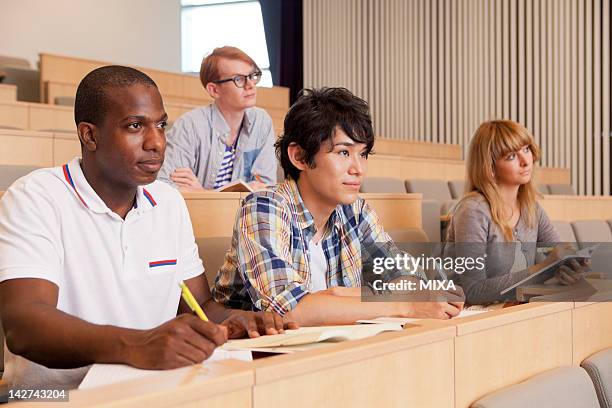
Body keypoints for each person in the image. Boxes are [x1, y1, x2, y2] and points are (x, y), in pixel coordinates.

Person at [0, 66, 293, 390]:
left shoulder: (168, 201)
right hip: (53, 398)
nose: (156, 142)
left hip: (150, 389)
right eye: (135, 126)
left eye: (161, 125)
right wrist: (138, 345)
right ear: (89, 135)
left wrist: (233, 321)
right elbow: (24, 326)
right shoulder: (35, 197)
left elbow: (200, 308)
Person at [212, 87, 464, 326]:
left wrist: (345, 296)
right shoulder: (263, 208)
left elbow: (408, 279)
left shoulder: (356, 211)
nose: (359, 169)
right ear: (299, 156)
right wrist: (401, 305)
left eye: (363, 154)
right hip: (254, 356)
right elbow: (291, 310)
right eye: (344, 153)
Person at [445, 120, 589, 304]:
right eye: (512, 156)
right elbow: (473, 292)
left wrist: (571, 266)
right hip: (468, 316)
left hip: (511, 309)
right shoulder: (473, 210)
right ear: (489, 167)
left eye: (527, 149)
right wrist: (545, 268)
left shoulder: (532, 208)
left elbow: (560, 251)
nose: (525, 161)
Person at [158, 46, 276, 191]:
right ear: (214, 90)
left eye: (252, 76)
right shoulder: (189, 125)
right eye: (239, 79)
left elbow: (265, 187)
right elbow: (166, 186)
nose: (250, 85)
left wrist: (202, 193)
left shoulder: (262, 122)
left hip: (245, 213)